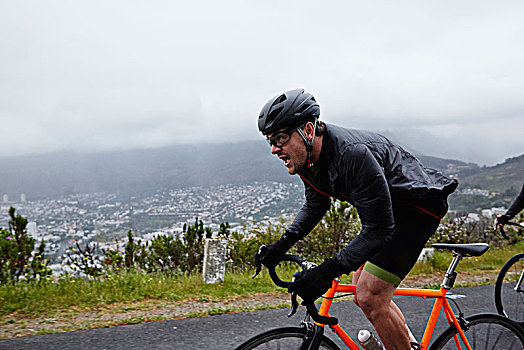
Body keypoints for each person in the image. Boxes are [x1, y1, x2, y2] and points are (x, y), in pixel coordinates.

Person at [255, 89, 458, 349]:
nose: (274, 149)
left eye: (280, 138)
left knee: (371, 295)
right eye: (270, 141)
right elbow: (316, 204)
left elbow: (379, 231)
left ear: (307, 130)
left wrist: (325, 272)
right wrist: (281, 245)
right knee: (360, 290)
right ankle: (405, 343)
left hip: (417, 209)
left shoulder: (351, 155)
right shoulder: (308, 159)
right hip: (390, 211)